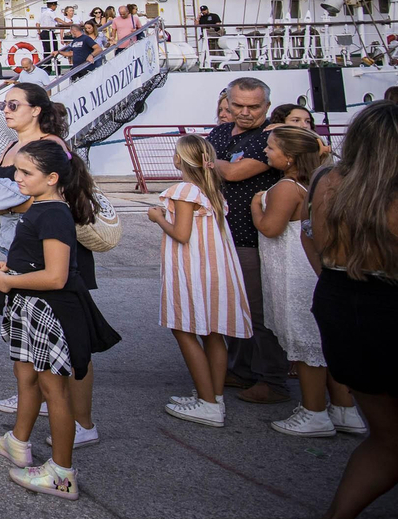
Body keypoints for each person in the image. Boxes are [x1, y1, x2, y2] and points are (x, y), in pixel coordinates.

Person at [0, 140, 119, 500]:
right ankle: (18, 441)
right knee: (26, 377)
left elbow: (56, 276)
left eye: (27, 172)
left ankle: (62, 473)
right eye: (17, 169)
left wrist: (9, 280)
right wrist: (10, 267)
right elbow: (36, 261)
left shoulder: (55, 213)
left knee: (53, 391)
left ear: (53, 177)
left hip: (48, 310)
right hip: (31, 306)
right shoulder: (42, 207)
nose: (17, 177)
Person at [298, 101, 398, 519]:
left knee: (386, 435)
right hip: (387, 303)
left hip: (340, 299)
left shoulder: (327, 181)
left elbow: (313, 241)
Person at [254, 126, 358, 438]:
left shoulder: (287, 187)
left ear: (289, 158)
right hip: (307, 268)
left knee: (305, 344)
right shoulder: (317, 182)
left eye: (271, 148)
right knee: (320, 344)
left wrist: (255, 206)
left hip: (293, 270)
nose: (266, 152)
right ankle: (344, 409)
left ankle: (314, 412)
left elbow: (271, 227)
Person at [149, 136, 253, 427]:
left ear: (179, 160)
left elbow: (181, 234)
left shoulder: (184, 190)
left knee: (184, 330)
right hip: (214, 268)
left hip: (192, 269)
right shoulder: (212, 190)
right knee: (213, 333)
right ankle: (213, 396)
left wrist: (157, 216)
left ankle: (208, 403)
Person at [207, 77, 289, 405]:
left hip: (252, 238)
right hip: (220, 234)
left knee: (259, 313)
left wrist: (214, 164)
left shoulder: (272, 137)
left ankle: (273, 380)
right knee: (232, 309)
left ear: (267, 106)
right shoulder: (221, 132)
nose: (244, 112)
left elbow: (233, 173)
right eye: (237, 105)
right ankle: (240, 369)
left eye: (253, 106)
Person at [37, 0, 59, 66]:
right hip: (49, 32)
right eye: (55, 6)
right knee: (54, 48)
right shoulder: (50, 12)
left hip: (44, 32)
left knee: (46, 50)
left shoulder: (43, 13)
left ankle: (47, 65)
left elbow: (37, 24)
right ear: (53, 5)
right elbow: (56, 19)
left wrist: (39, 33)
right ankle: (54, 65)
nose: (56, 7)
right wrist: (65, 23)